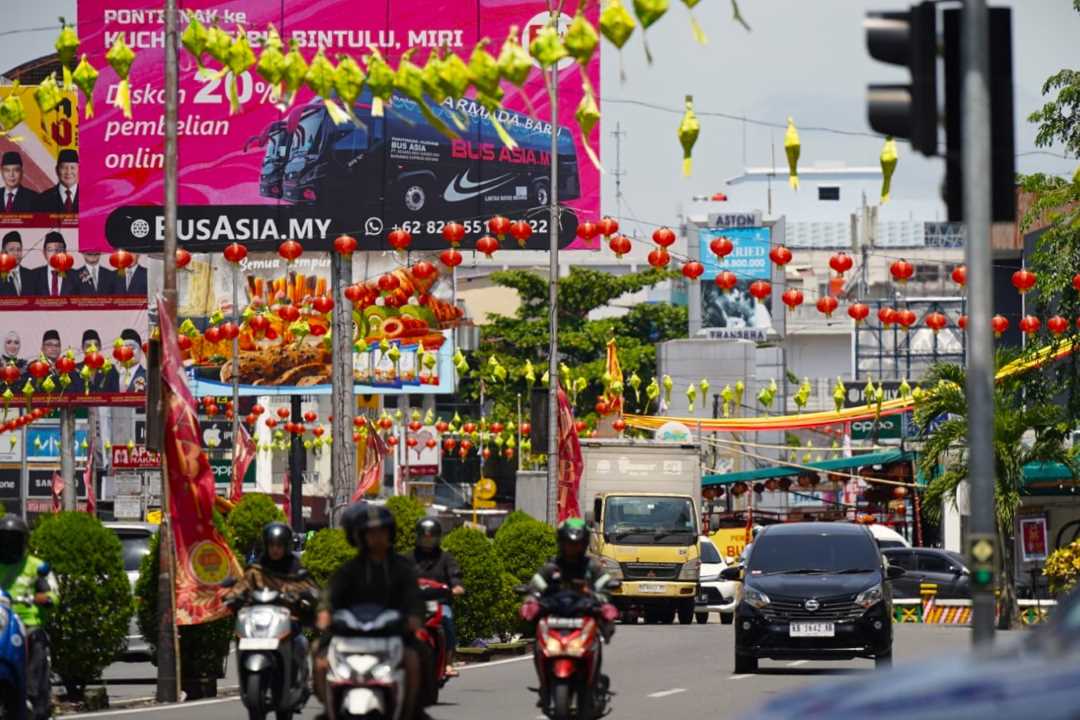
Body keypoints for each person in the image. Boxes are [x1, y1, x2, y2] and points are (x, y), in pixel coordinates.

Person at [314, 503, 425, 720]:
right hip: (349, 634)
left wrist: (413, 616)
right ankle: (329, 708)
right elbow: (331, 594)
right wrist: (324, 613)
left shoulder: (402, 568)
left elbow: (414, 597)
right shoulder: (349, 569)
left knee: (415, 658)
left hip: (392, 632)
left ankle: (409, 710)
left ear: (390, 533)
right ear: (361, 536)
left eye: (381, 531)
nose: (376, 537)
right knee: (318, 659)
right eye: (370, 533)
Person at [521, 519, 618, 708]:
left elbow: (605, 586)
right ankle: (544, 685)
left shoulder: (591, 567)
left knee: (599, 634)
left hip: (583, 615)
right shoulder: (552, 567)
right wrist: (530, 601)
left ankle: (594, 680)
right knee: (537, 638)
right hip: (555, 616)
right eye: (569, 543)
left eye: (577, 544)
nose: (573, 548)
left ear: (584, 544)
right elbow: (535, 586)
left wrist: (604, 602)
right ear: (561, 543)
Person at [224, 522, 319, 684]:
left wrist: (304, 596)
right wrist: (231, 596)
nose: (275, 549)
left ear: (286, 547)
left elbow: (309, 587)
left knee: (299, 641)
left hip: (287, 618)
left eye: (279, 545)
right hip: (258, 619)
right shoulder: (256, 568)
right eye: (272, 545)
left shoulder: (295, 567)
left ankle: (295, 677)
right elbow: (242, 585)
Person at [0, 514, 58, 720]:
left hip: (27, 623)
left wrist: (38, 598)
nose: (8, 544)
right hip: (1, 623)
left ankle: (32, 696)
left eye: (13, 540)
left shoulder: (36, 566)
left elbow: (52, 594)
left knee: (36, 642)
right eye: (4, 539)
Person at [412, 517, 465, 677]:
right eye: (424, 538)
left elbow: (455, 576)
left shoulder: (446, 558)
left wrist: (456, 587)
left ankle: (448, 662)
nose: (428, 542)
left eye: (431, 538)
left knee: (447, 621)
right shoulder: (408, 558)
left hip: (440, 604)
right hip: (415, 604)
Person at [32, 232, 79, 297]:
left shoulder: (76, 276)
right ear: (44, 253)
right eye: (50, 250)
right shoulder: (33, 276)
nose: (55, 253)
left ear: (65, 252)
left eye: (59, 249)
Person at [34, 148, 78, 213]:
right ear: (57, 170)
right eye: (64, 168)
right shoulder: (42, 199)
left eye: (72, 168)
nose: (68, 172)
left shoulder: (88, 198)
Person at [0, 231, 39, 297]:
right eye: (12, 249)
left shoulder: (31, 275)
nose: (16, 253)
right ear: (3, 253)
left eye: (19, 249)